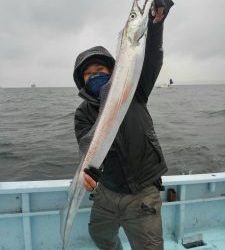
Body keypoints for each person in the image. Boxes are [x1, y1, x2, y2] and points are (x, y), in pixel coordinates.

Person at [73, 0, 174, 249]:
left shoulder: (135, 90)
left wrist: (155, 23)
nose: (95, 74)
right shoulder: (83, 113)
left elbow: (150, 57)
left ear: (113, 71)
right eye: (89, 73)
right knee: (100, 236)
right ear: (82, 80)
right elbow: (88, 150)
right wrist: (91, 175)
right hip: (106, 192)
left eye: (101, 69)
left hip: (143, 191)